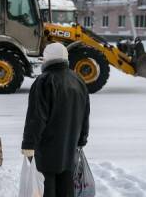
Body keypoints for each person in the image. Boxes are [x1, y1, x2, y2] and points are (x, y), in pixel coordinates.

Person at [21, 43, 90, 197]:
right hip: (70, 148)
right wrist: (81, 140)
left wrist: (29, 144)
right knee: (66, 186)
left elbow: (36, 117)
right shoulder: (78, 80)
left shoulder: (44, 81)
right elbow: (85, 114)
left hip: (47, 149)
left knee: (46, 186)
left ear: (47, 59)